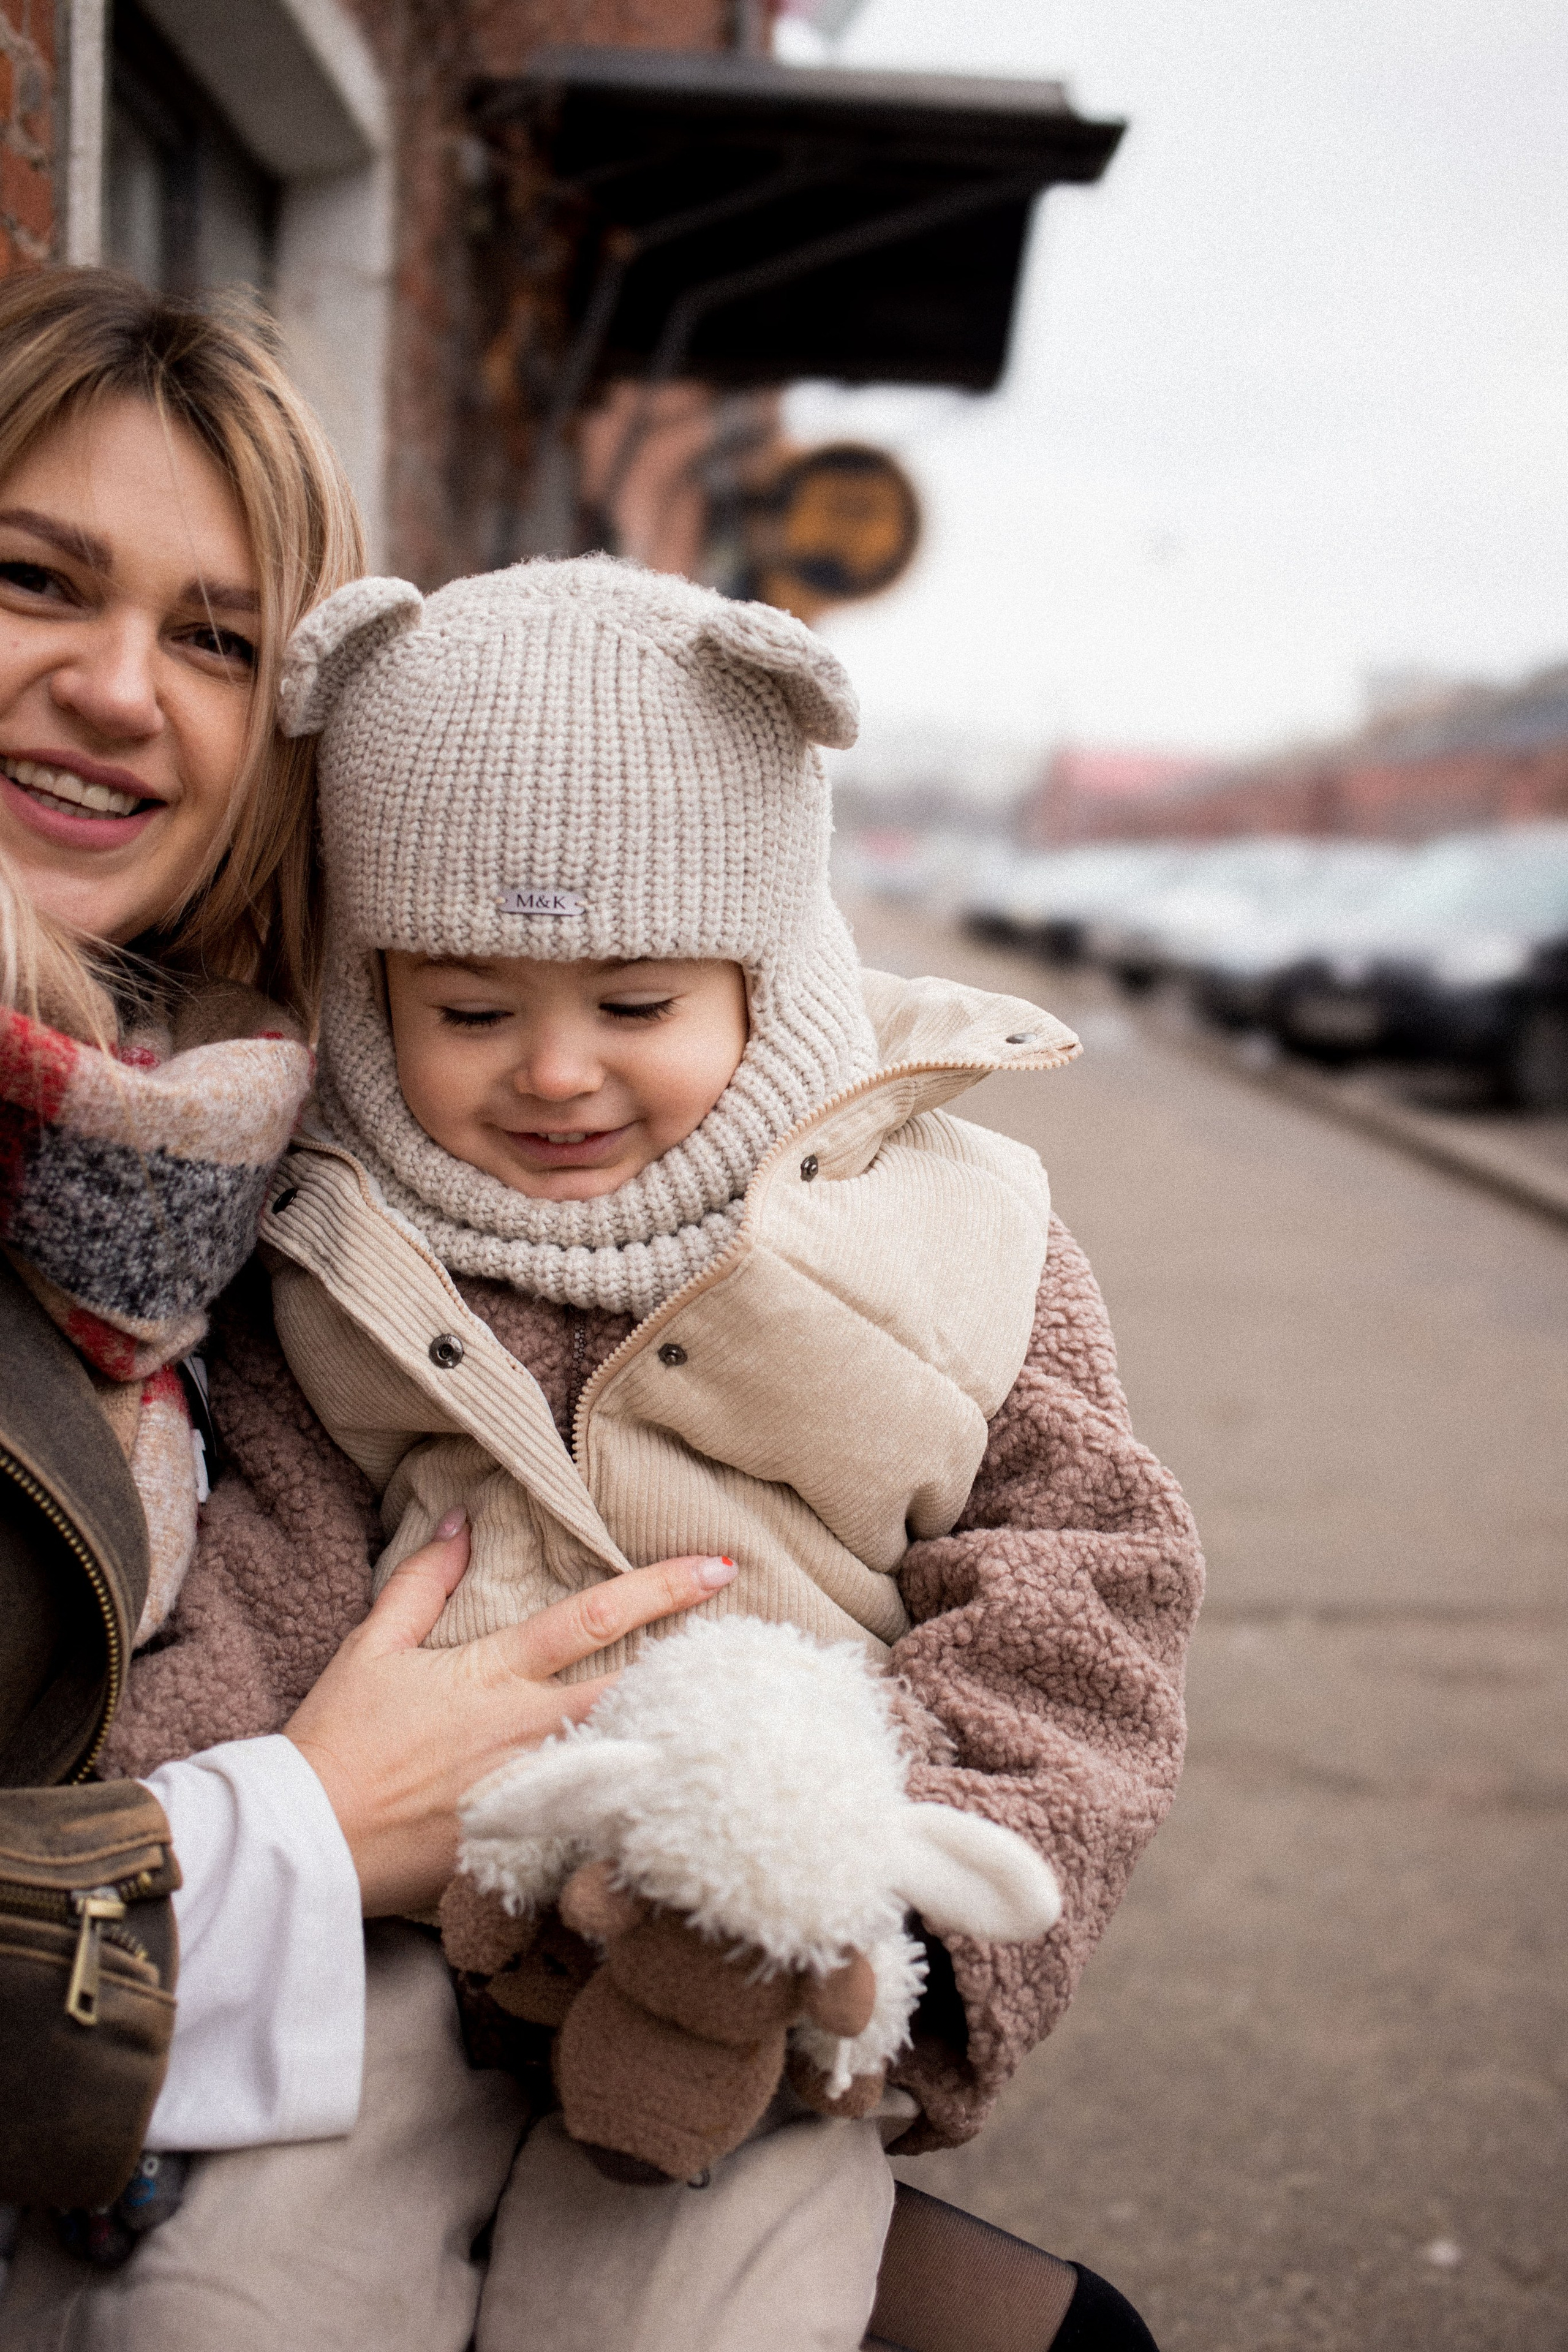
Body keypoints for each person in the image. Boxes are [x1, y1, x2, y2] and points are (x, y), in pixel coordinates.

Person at [15, 552, 1202, 2351]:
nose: (555, 1073)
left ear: (762, 971)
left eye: (638, 1005)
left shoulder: (955, 1235)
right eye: (469, 1011)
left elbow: (1084, 1591)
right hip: (393, 1945)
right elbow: (263, 1559)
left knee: (703, 2316)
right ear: (373, 985)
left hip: (746, 1972)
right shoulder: (326, 1240)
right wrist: (190, 1913)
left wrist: (904, 1901)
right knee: (226, 2305)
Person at [0, 271, 724, 2309]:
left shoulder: (221, 1142)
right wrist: (300, 1828)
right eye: (35, 580)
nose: (124, 689)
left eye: (217, 635)